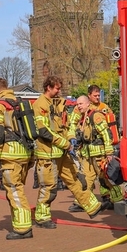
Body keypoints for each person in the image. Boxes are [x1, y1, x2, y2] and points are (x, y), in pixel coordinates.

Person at [32, 76, 103, 228]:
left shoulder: (58, 103)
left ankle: (92, 206)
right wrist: (65, 143)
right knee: (49, 186)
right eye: (57, 88)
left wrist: (71, 138)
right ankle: (42, 218)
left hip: (63, 152)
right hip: (49, 154)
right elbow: (44, 131)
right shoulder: (40, 105)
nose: (59, 91)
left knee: (76, 179)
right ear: (48, 88)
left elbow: (66, 125)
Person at [0, 77, 33, 240]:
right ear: (7, 87)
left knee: (15, 190)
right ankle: (20, 223)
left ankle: (23, 228)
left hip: (10, 155)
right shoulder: (20, 102)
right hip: (26, 153)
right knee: (19, 188)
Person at [74, 95, 123, 208]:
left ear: (87, 103)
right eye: (77, 104)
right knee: (86, 179)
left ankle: (119, 200)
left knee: (106, 179)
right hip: (88, 156)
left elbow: (106, 134)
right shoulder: (83, 117)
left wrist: (109, 153)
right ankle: (82, 203)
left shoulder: (96, 116)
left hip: (99, 155)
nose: (78, 106)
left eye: (80, 104)